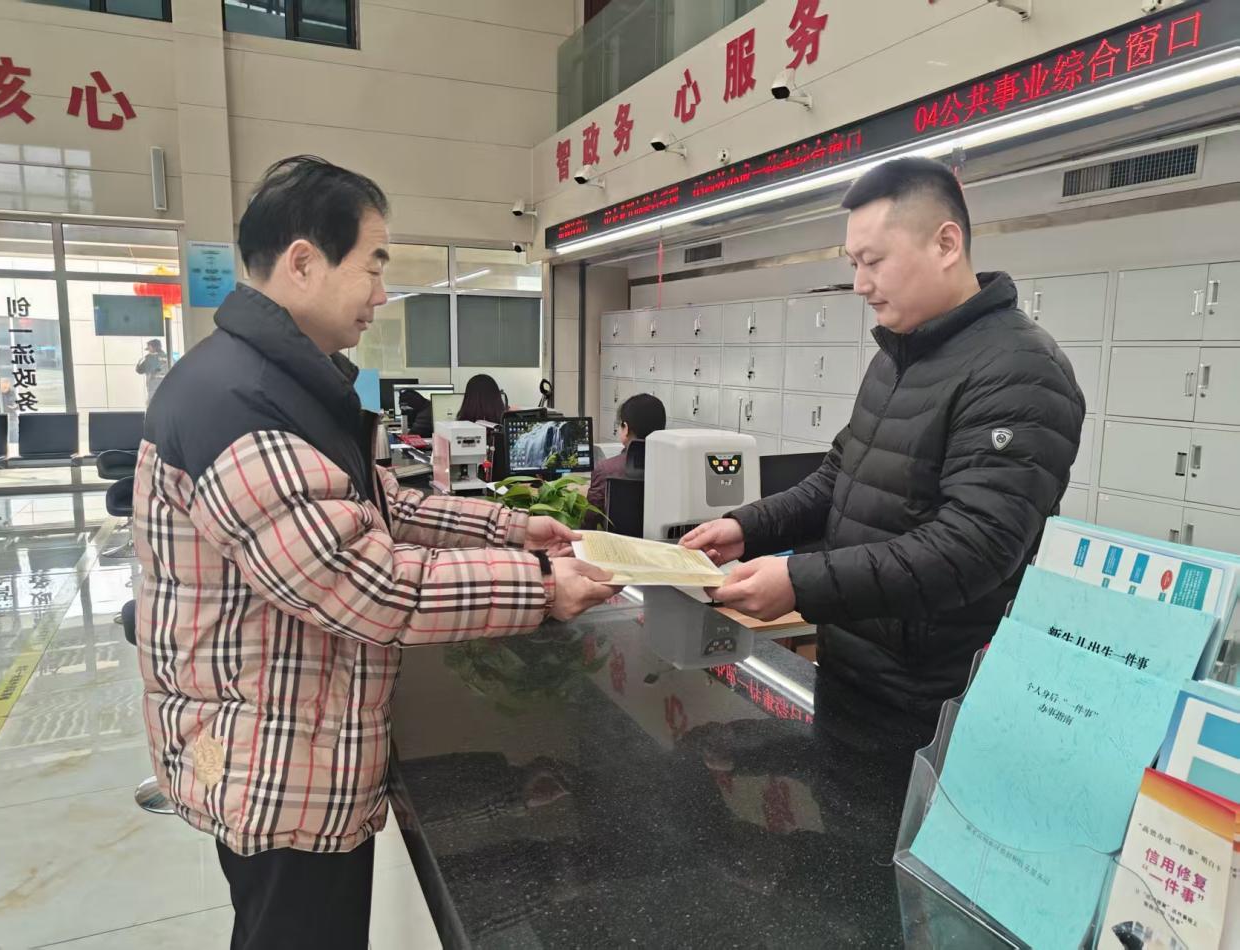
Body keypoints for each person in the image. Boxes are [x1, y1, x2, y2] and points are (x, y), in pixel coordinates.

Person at [132, 155, 618, 950]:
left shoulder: (281, 383)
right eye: (373, 265)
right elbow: (362, 582)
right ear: (302, 262)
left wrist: (508, 528)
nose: (382, 293)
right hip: (276, 763)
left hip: (298, 739)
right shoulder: (237, 403)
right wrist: (538, 584)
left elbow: (380, 508)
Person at [681, 157, 1085, 717]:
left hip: (934, 698)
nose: (859, 284)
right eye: (854, 264)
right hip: (853, 667)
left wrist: (800, 582)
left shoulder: (1020, 370)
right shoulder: (898, 357)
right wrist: (748, 527)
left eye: (873, 262)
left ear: (946, 244)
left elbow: (972, 548)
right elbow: (838, 478)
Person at [585, 393, 665, 530]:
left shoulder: (606, 469)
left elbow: (590, 520)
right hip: (663, 542)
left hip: (617, 542)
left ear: (626, 428)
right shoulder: (674, 467)